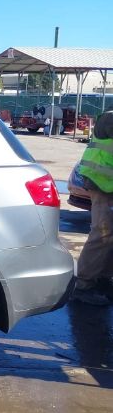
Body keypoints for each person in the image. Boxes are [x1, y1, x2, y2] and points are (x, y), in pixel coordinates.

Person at [73, 111, 113, 305]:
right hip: (102, 183)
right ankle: (83, 285)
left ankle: (103, 279)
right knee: (102, 234)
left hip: (107, 183)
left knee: (109, 235)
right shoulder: (110, 118)